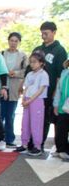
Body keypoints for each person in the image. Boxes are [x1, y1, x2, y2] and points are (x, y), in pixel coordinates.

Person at [31, 21, 68, 151]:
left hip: (50, 91)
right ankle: (32, 143)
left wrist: (55, 93)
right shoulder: (38, 49)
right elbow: (30, 70)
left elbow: (60, 75)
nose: (44, 36)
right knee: (35, 118)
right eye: (42, 33)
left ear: (54, 32)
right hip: (35, 92)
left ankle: (47, 145)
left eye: (46, 33)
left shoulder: (60, 50)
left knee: (49, 119)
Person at [15, 51, 50, 156]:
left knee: (36, 123)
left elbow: (40, 90)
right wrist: (23, 99)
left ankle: (37, 146)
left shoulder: (44, 74)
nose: (32, 64)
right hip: (27, 100)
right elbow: (26, 87)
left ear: (41, 63)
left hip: (37, 100)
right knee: (25, 123)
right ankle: (24, 144)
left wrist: (30, 100)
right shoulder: (30, 74)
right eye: (31, 62)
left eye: (35, 62)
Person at [0, 32, 28, 148]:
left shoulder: (23, 56)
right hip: (2, 86)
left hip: (15, 87)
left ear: (19, 42)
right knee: (0, 113)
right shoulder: (2, 54)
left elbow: (27, 70)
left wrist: (15, 73)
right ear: (8, 41)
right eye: (11, 40)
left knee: (10, 114)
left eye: (16, 41)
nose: (13, 43)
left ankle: (9, 138)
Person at [53, 60, 69, 161]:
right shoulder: (64, 73)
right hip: (63, 107)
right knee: (61, 130)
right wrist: (56, 105)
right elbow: (58, 90)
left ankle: (66, 150)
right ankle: (61, 149)